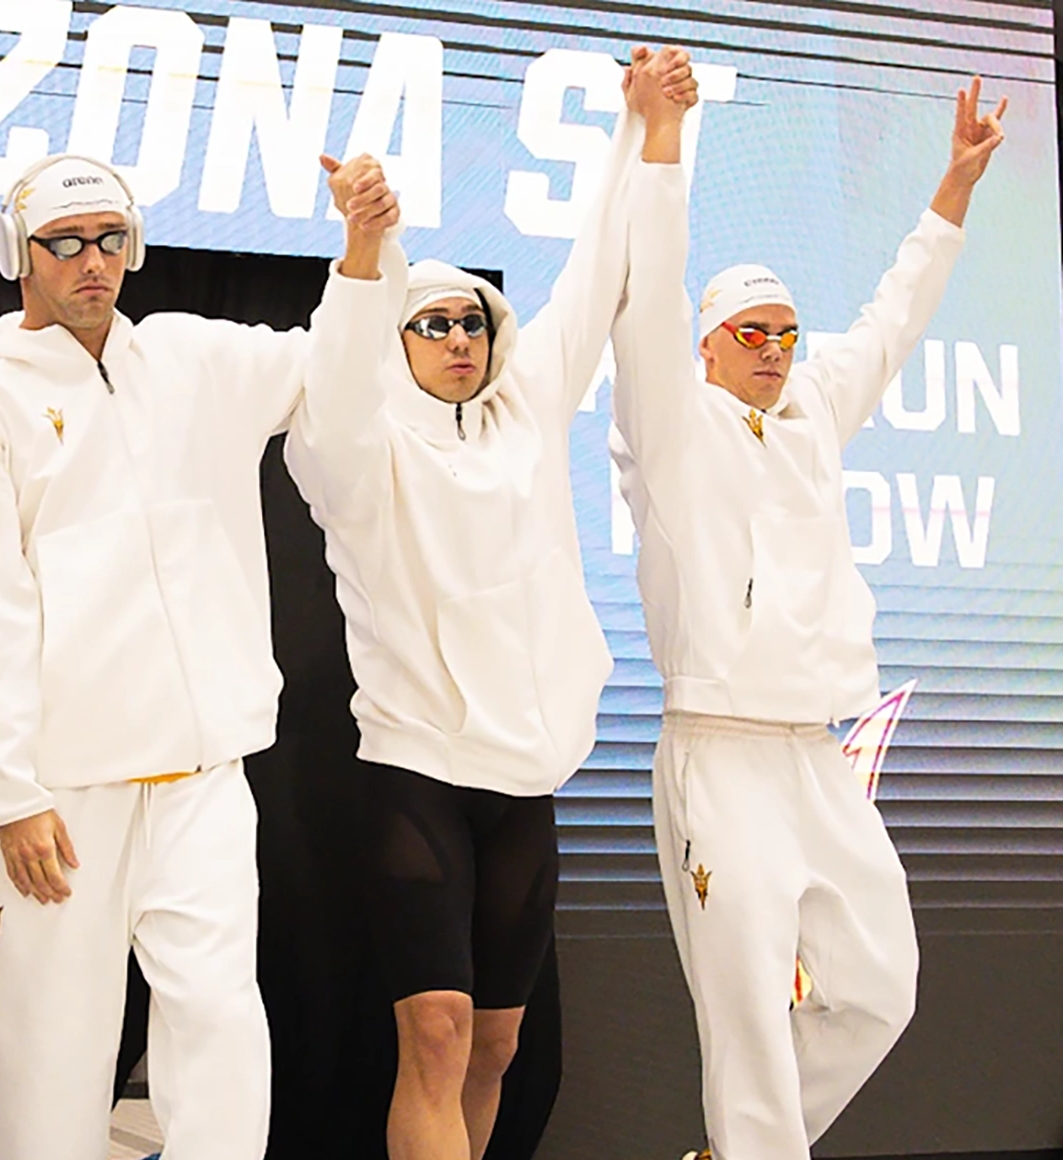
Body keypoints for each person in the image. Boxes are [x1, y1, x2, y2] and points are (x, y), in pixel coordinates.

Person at [285, 48, 698, 1160]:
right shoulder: (357, 449)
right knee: (436, 1029)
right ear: (398, 341)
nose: (460, 338)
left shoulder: (524, 409)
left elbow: (599, 267)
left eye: (472, 322)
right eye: (434, 324)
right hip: (417, 770)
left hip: (525, 780)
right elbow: (331, 389)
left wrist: (640, 128)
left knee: (497, 1048)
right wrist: (367, 252)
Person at [609, 71, 1006, 1160]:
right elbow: (644, 296)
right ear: (707, 343)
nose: (777, 348)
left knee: (881, 986)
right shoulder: (669, 424)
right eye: (753, 332)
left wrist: (955, 187)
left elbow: (894, 314)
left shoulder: (815, 410)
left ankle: (740, 1151)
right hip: (718, 754)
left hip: (816, 756)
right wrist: (665, 135)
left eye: (787, 330)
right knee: (745, 1026)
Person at [0, 153, 318, 1160]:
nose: (93, 261)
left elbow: (331, 359)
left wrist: (365, 254)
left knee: (222, 1019)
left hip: (202, 771)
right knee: (49, 1069)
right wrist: (10, 791)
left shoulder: (186, 362)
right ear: (19, 255)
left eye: (111, 239)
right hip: (60, 789)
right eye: (66, 242)